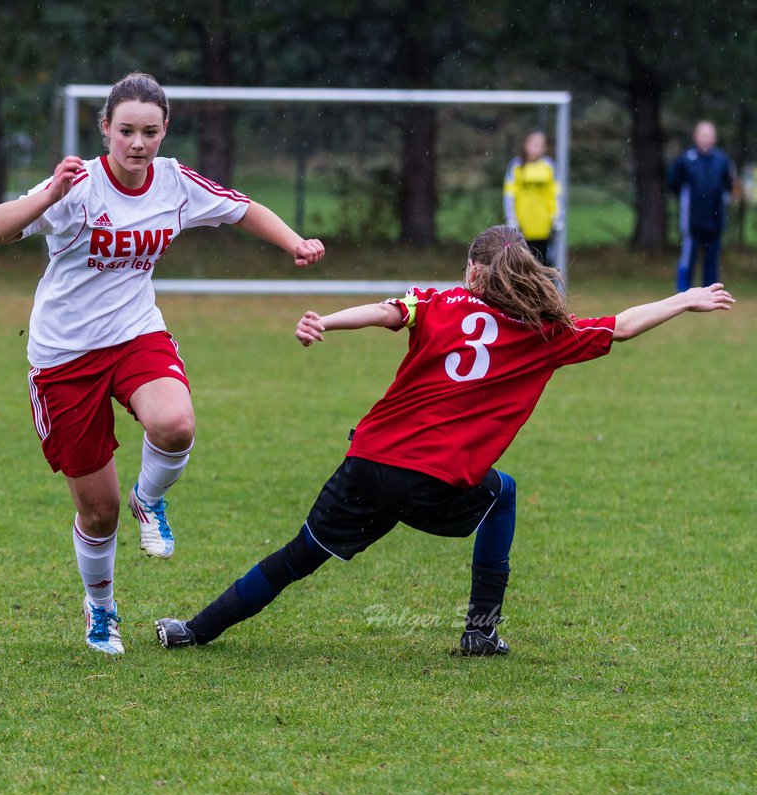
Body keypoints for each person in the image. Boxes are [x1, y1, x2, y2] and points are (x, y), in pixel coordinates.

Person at [155, 224, 734, 656]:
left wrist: (325, 321)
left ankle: (194, 630)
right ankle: (481, 631)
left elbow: (383, 313)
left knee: (297, 558)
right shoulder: (544, 333)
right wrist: (684, 299)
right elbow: (624, 325)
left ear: (476, 273)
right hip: (437, 483)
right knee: (501, 493)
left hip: (369, 463)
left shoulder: (437, 302)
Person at [0, 72, 325, 655]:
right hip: (64, 358)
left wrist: (293, 242)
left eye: (149, 131)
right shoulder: (78, 184)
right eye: (126, 131)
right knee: (98, 511)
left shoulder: (173, 183)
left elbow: (242, 210)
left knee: (175, 423)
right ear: (105, 131)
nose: (137, 143)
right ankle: (101, 607)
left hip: (137, 335)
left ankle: (152, 498)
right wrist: (48, 196)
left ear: (164, 132)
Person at [669, 121, 739, 292]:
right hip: (692, 221)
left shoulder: (722, 160)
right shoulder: (685, 159)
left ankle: (711, 291)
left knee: (712, 259)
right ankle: (683, 290)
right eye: (703, 135)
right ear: (696, 137)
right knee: (688, 257)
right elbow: (674, 183)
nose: (706, 139)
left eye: (709, 135)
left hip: (715, 220)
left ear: (714, 138)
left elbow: (731, 185)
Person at [502, 130, 562, 266]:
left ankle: (545, 287)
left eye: (541, 145)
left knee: (544, 264)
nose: (538, 148)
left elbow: (555, 194)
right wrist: (511, 218)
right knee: (522, 264)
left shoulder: (549, 166)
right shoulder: (516, 166)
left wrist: (557, 216)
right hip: (522, 226)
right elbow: (509, 195)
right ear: (526, 145)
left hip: (543, 226)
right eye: (534, 144)